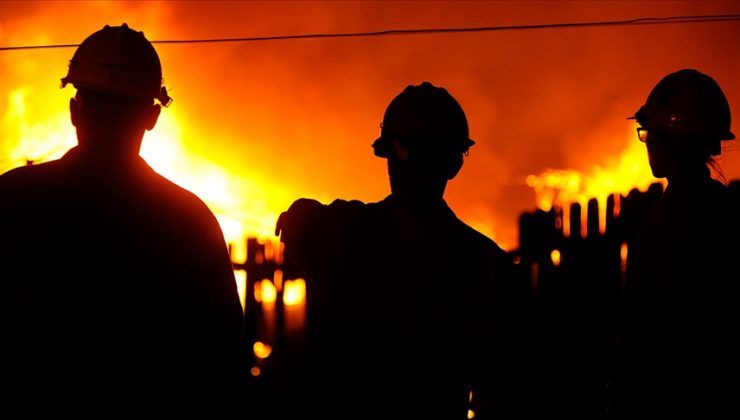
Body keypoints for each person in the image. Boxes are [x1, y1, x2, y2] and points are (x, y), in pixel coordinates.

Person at [0, 24, 244, 416]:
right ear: (151, 117)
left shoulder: (11, 199)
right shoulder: (188, 223)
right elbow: (221, 360)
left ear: (74, 109)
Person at [275, 82, 530, 419]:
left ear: (389, 155)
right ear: (455, 164)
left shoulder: (339, 231)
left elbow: (299, 225)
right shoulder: (486, 265)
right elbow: (502, 390)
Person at [615, 69, 740, 418]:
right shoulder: (726, 210)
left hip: (672, 399)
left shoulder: (665, 218)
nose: (647, 142)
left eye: (648, 134)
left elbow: (648, 326)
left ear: (670, 140)